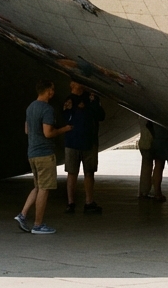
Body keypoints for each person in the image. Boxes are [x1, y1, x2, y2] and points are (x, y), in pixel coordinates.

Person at [16, 80, 71, 235]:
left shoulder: (30, 107)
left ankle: (22, 214)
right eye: (52, 89)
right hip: (44, 154)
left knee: (38, 187)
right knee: (44, 189)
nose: (53, 92)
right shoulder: (47, 109)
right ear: (48, 91)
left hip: (32, 152)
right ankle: (38, 224)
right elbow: (48, 133)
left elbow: (27, 130)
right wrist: (64, 129)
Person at [62, 82, 105, 214]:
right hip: (72, 142)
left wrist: (91, 104)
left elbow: (101, 116)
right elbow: (63, 118)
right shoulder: (68, 100)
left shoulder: (92, 98)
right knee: (71, 173)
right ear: (71, 85)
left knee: (89, 172)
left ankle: (89, 201)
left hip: (89, 141)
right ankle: (71, 203)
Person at [138, 121, 154, 198]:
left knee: (146, 167)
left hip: (143, 142)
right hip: (148, 143)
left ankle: (143, 191)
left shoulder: (142, 116)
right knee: (147, 168)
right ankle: (144, 191)